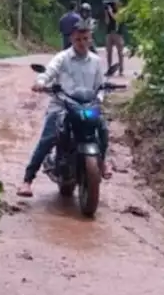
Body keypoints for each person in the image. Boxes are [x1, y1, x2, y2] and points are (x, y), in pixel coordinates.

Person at [18, 20, 111, 197]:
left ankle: (103, 162)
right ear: (71, 40)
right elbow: (49, 72)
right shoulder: (62, 58)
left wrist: (99, 98)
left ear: (90, 38)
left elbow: (101, 85)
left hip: (87, 105)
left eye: (85, 38)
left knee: (103, 129)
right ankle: (27, 181)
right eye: (78, 39)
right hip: (62, 105)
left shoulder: (96, 61)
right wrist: (40, 82)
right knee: (48, 138)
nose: (82, 43)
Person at [104, 0, 126, 76]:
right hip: (109, 32)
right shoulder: (111, 10)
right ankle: (109, 68)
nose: (115, 3)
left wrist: (110, 12)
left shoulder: (122, 11)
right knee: (109, 51)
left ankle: (121, 70)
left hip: (118, 33)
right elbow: (107, 22)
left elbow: (117, 18)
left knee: (120, 52)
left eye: (117, 2)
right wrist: (106, 12)